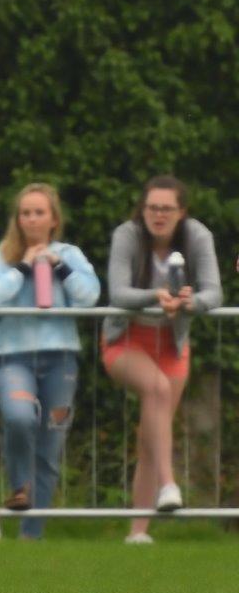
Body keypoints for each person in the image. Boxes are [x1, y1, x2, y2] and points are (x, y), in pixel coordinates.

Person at [102, 175, 221, 543]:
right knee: (155, 390)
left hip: (172, 342)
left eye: (167, 208)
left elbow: (213, 292)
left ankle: (138, 532)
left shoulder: (197, 235)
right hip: (126, 339)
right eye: (152, 207)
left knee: (152, 437)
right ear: (143, 209)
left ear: (181, 212)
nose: (158, 215)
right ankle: (169, 485)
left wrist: (189, 302)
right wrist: (157, 295)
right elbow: (119, 292)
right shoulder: (127, 234)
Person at [0, 183, 100, 538]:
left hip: (60, 358)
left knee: (50, 445)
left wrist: (58, 266)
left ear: (53, 219)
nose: (31, 219)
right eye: (25, 213)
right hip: (11, 356)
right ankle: (20, 487)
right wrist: (24, 267)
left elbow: (90, 296)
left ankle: (31, 535)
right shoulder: (2, 255)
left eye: (39, 213)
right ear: (17, 219)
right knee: (19, 417)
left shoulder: (69, 253)